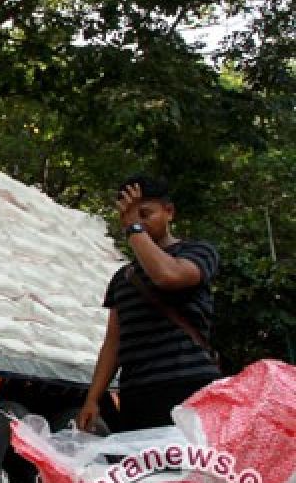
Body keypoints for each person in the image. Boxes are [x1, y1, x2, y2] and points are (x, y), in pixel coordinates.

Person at [78, 176, 221, 433]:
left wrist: (134, 229)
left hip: (190, 388)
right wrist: (92, 399)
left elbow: (168, 276)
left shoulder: (198, 252)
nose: (139, 222)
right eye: (131, 216)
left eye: (146, 214)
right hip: (137, 394)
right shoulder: (123, 278)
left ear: (169, 212)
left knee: (192, 470)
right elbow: (113, 342)